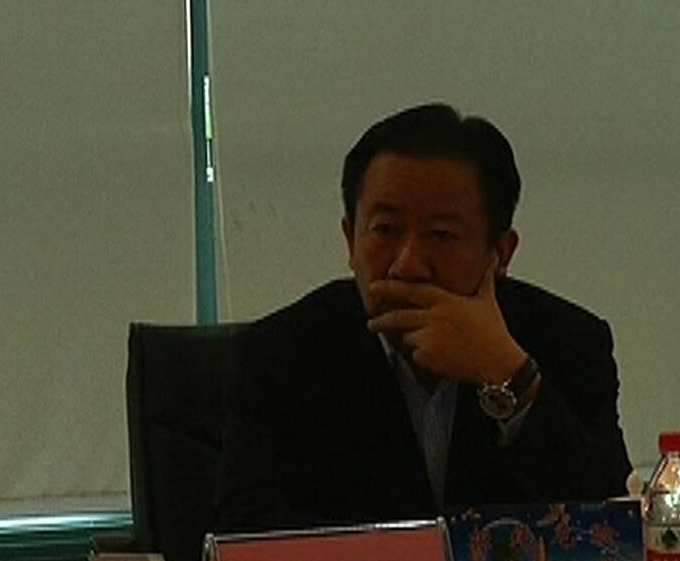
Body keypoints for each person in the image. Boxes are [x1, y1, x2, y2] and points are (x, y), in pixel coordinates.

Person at [216, 103, 632, 533]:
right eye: (385, 230)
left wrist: (508, 374)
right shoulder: (277, 356)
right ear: (350, 239)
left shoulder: (568, 342)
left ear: (501, 253)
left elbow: (611, 532)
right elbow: (246, 535)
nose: (408, 264)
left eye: (442, 236)